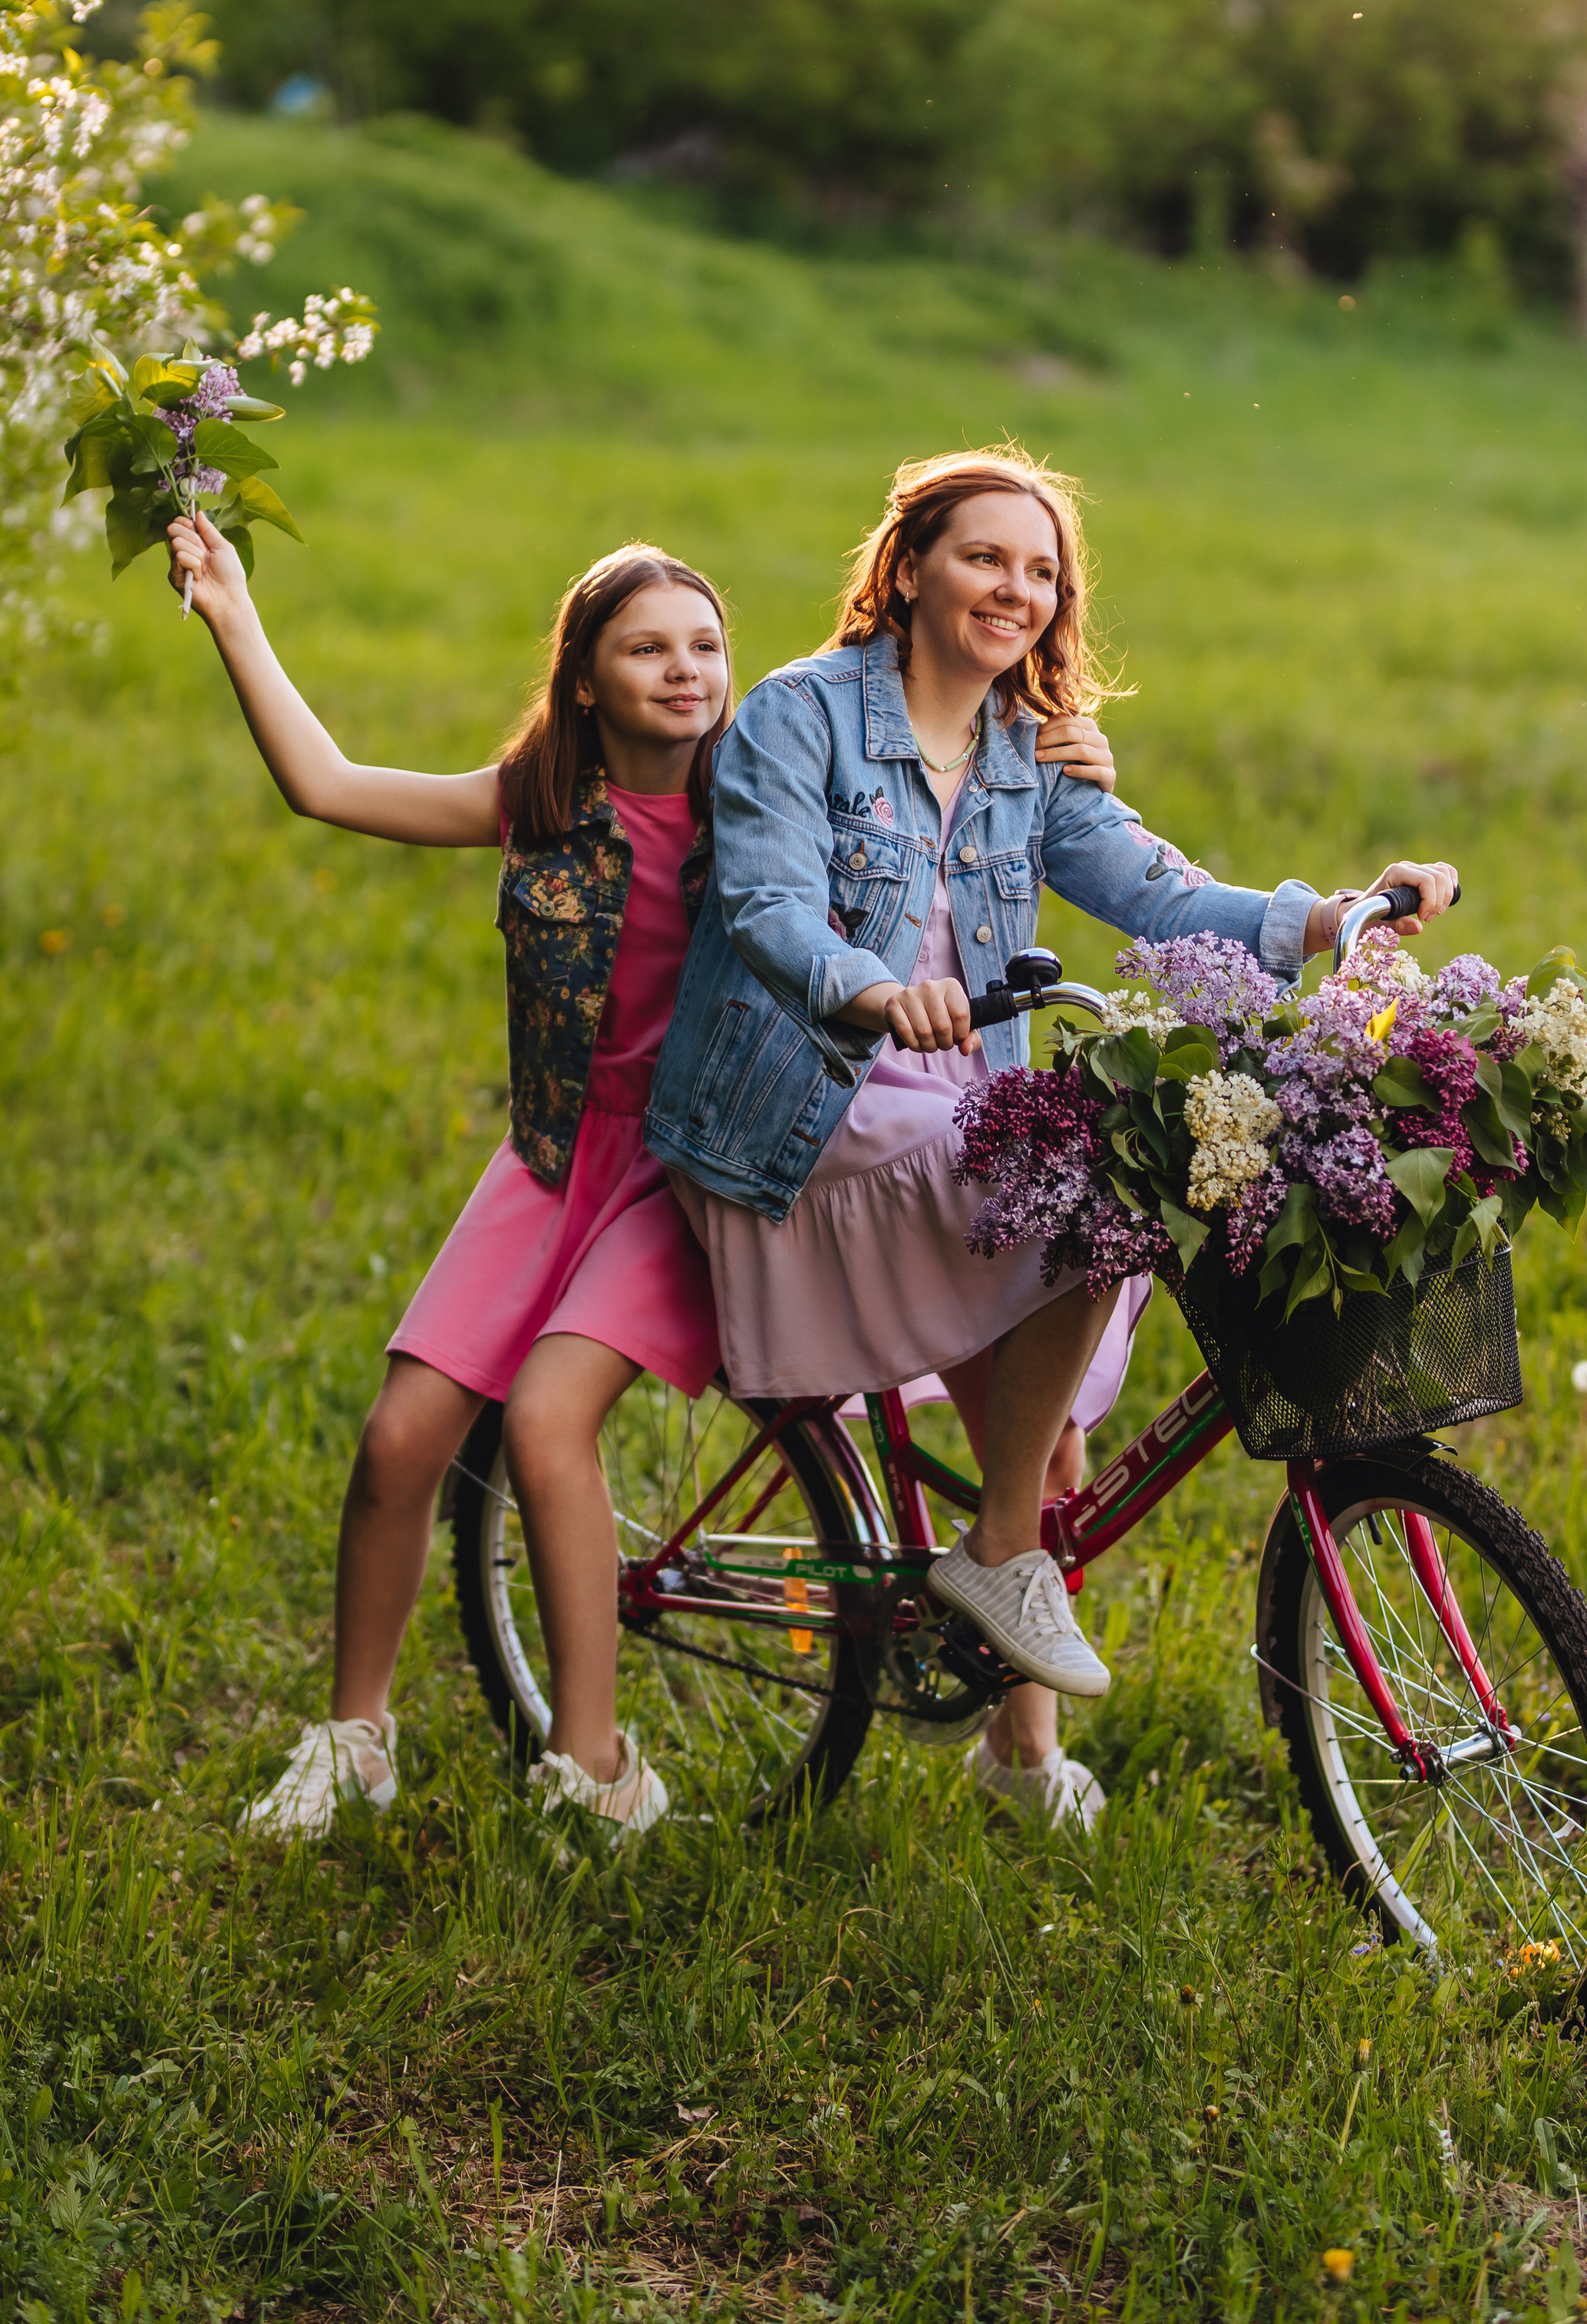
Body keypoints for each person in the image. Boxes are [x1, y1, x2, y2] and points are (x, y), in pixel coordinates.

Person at [160, 507, 1118, 1842]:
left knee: (1013, 1397)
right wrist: (231, 612)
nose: (685, 671)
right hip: (563, 1153)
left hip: (710, 1150)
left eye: (706, 645)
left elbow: (937, 785)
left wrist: (1057, 756)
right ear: (583, 677)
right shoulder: (543, 806)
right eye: (646, 648)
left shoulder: (778, 777)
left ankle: (971, 1747)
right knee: (399, 1442)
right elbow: (326, 785)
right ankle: (357, 1734)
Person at [645, 447, 1457, 1829]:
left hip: (947, 1105)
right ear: (907, 571)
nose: (1013, 589)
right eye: (983, 557)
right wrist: (875, 983)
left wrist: (1339, 916)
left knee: (1057, 1378)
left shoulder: (1028, 754)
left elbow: (1159, 892)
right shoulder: (799, 717)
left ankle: (1019, 1749)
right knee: (1089, 1203)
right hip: (804, 1108)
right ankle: (1000, 1554)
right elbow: (772, 908)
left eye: (1041, 571)